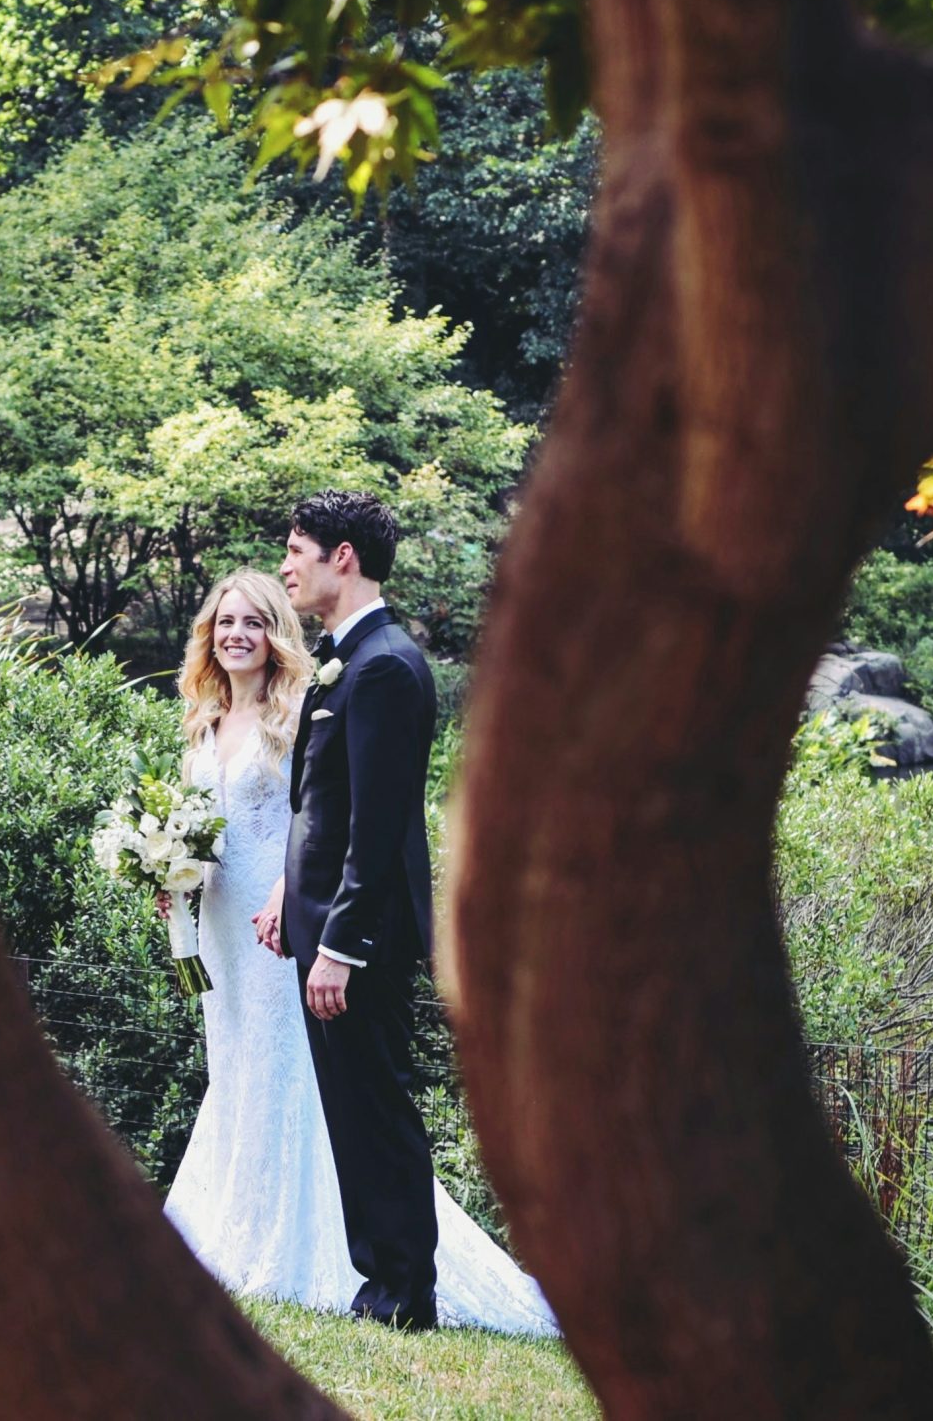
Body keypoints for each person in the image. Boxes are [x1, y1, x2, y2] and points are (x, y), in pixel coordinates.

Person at [160, 537, 555, 1337]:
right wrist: (167, 872)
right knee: (234, 1064)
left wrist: (289, 893)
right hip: (222, 928)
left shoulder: (307, 698)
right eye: (224, 622)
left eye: (253, 621)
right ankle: (230, 1229)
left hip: (286, 920)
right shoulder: (203, 718)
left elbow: (324, 815)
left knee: (304, 1074)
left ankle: (331, 1252)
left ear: (276, 631)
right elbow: (205, 827)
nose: (237, 634)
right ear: (208, 635)